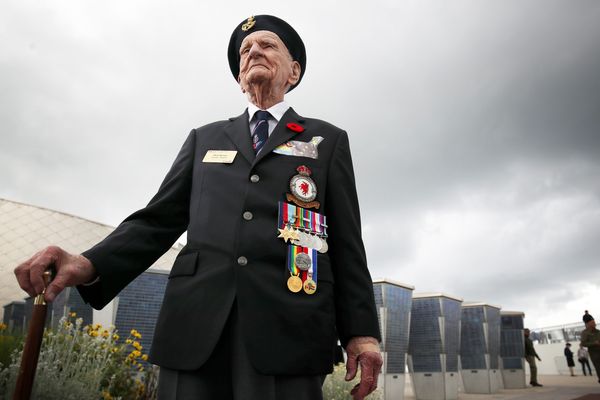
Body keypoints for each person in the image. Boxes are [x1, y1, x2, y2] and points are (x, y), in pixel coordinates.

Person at [14, 15, 383, 400]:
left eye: (267, 45)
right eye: (245, 50)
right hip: (195, 324)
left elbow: (345, 244)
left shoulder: (326, 141)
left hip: (288, 326)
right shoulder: (205, 139)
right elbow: (156, 222)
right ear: (240, 78)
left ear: (294, 71)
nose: (253, 50)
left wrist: (362, 332)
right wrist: (88, 263)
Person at [581, 310, 600, 383]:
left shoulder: (598, 331)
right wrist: (594, 343)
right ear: (588, 324)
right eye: (592, 322)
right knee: (599, 369)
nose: (594, 323)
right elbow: (583, 343)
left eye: (594, 322)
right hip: (595, 354)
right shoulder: (585, 333)